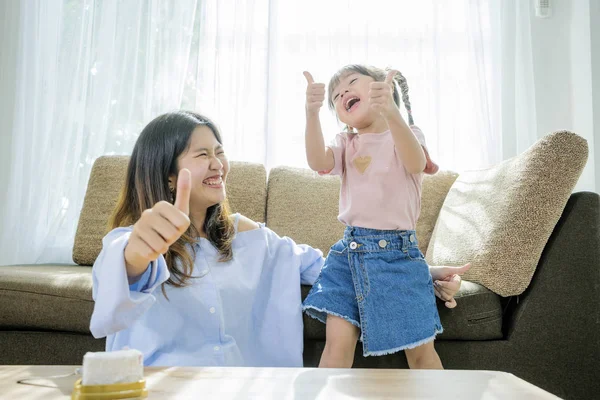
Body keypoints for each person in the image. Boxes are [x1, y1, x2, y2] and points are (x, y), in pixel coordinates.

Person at [90, 110, 467, 367]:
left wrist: (420, 274)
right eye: (202, 154)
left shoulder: (246, 235)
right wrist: (136, 255)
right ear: (168, 175)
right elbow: (121, 275)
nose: (218, 164)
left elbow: (329, 265)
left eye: (220, 152)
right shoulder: (131, 241)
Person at [302, 65, 468, 369]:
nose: (342, 93)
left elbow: (415, 163)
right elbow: (317, 160)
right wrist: (312, 114)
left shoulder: (407, 134)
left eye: (352, 83)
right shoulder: (345, 142)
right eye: (336, 96)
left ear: (383, 89)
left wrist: (392, 113)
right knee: (336, 346)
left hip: (399, 257)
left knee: (421, 354)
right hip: (347, 256)